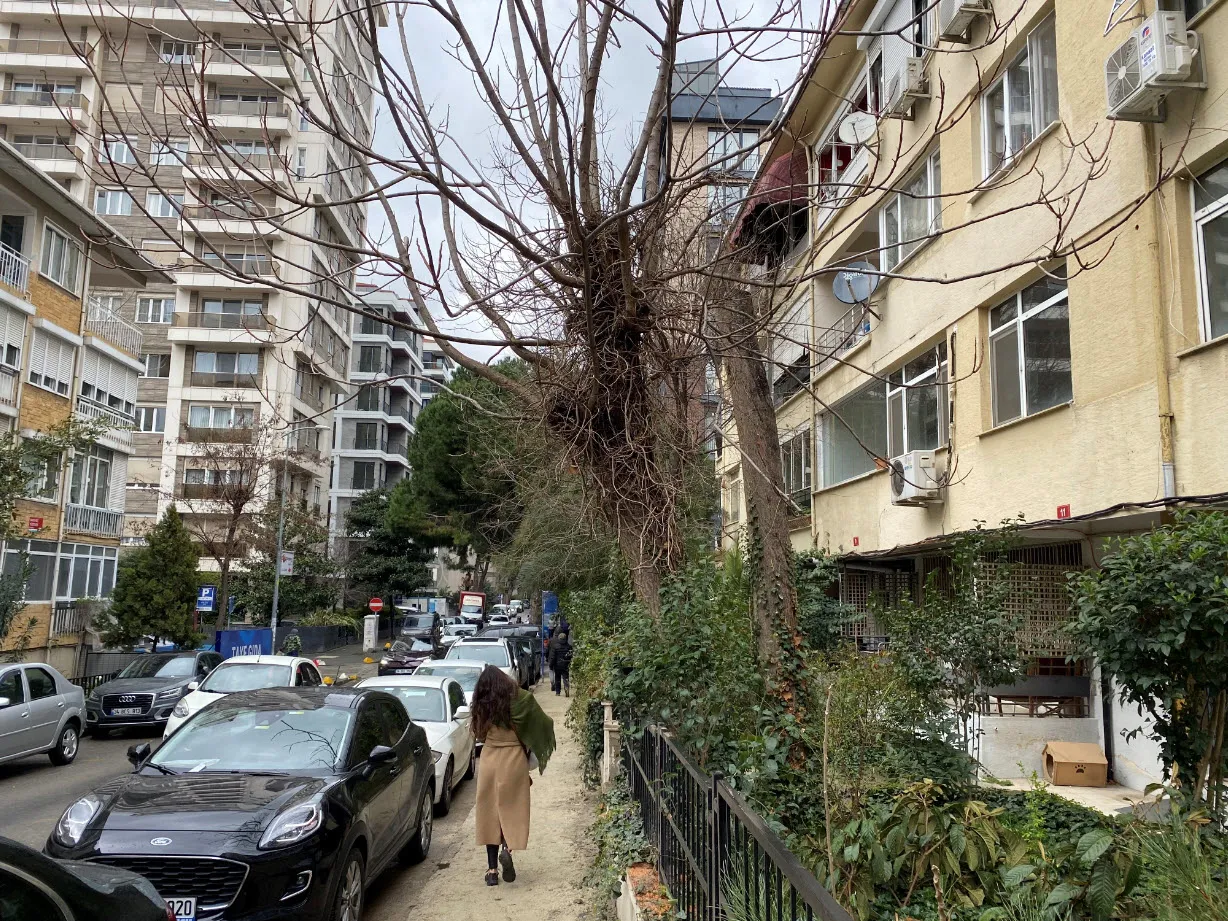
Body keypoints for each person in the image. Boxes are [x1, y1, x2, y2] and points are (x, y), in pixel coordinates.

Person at [470, 665, 556, 886]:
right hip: (514, 760)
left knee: (490, 813)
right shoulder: (522, 700)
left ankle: (491, 871)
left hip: (489, 760)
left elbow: (477, 734)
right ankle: (507, 849)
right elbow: (543, 724)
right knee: (511, 809)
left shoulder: (481, 705)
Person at [547, 630, 572, 697]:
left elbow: (553, 657)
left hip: (557, 665)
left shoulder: (555, 647)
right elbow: (571, 656)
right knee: (565, 677)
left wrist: (551, 665)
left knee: (557, 678)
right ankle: (566, 687)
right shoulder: (569, 647)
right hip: (566, 664)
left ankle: (558, 692)